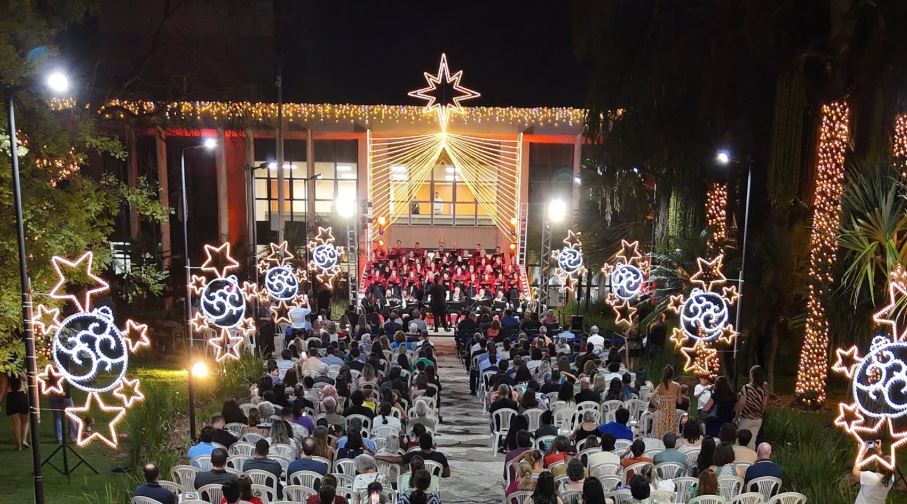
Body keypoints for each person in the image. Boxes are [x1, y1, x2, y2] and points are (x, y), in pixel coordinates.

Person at [375, 432, 451, 478]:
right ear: (431, 444)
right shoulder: (440, 456)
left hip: (416, 485)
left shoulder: (413, 455)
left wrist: (377, 456)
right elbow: (447, 474)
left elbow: (393, 459)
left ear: (420, 444)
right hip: (434, 487)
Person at [736, 365, 768, 449]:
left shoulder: (746, 388)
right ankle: (751, 459)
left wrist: (737, 416)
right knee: (752, 441)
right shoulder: (764, 390)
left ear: (752, 375)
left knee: (740, 440)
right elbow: (764, 406)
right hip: (758, 419)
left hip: (746, 417)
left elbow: (741, 403)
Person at [650, 365, 681, 440]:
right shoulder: (677, 386)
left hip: (662, 414)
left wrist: (658, 407)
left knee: (660, 437)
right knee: (670, 439)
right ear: (672, 374)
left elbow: (651, 398)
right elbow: (679, 401)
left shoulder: (660, 386)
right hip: (671, 415)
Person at [6, 372, 29, 451]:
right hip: (22, 395)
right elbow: (26, 379)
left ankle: (19, 445)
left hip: (11, 396)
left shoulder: (6, 372)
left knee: (16, 424)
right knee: (25, 421)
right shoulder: (21, 371)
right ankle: (24, 440)